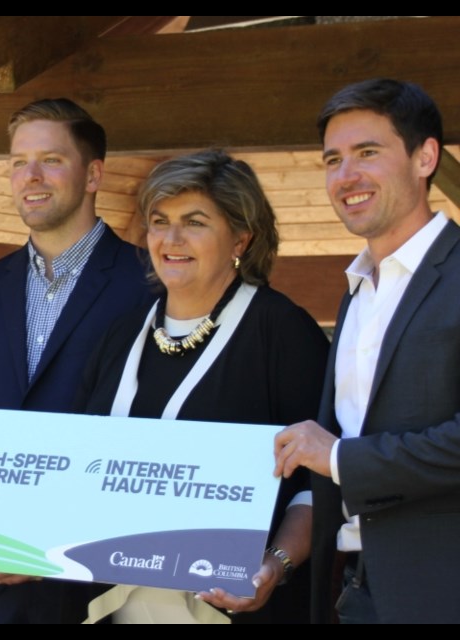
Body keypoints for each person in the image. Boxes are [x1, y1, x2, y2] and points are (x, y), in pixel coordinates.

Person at [0, 98, 154, 624]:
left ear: (93, 173)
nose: (30, 176)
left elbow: (152, 440)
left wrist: (58, 541)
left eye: (50, 159)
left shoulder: (147, 284)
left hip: (101, 593)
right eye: (17, 161)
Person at [78, 149, 327, 624]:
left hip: (231, 606)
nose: (171, 239)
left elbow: (319, 479)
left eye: (194, 222)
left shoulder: (282, 331)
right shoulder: (119, 334)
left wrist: (276, 564)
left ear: (241, 236)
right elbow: (75, 462)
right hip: (112, 605)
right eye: (159, 221)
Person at [274, 79, 460, 624]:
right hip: (353, 592)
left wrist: (335, 458)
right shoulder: (355, 292)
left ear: (425, 157)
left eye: (367, 153)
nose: (345, 176)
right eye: (333, 160)